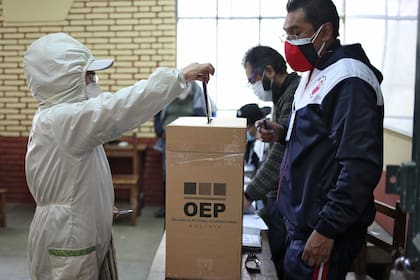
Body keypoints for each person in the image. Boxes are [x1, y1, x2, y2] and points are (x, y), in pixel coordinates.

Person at [23, 32, 214, 280]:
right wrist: (177, 77)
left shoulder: (60, 120)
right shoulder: (62, 120)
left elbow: (76, 179)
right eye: (88, 76)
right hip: (68, 236)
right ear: (62, 79)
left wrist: (99, 205)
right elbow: (120, 108)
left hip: (75, 225)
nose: (94, 82)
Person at [260, 0, 384, 278]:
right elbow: (319, 140)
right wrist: (282, 133)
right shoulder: (315, 73)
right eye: (287, 33)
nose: (290, 42)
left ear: (325, 32)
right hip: (301, 224)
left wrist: (327, 228)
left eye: (297, 32)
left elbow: (359, 166)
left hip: (321, 231)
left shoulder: (348, 79)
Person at [241, 45, 300, 278]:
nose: (254, 87)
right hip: (280, 194)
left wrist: (249, 194)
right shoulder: (281, 96)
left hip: (290, 199)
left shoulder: (293, 94)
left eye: (252, 79)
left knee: (278, 258)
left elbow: (279, 154)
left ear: (269, 71)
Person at [152, 81, 213, 218]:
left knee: (188, 175)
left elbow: (204, 117)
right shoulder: (168, 93)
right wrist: (161, 131)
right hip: (168, 142)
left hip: (190, 144)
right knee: (167, 174)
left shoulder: (198, 94)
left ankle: (184, 206)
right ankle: (167, 206)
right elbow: (157, 115)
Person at [236, 103, 271, 175]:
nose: (245, 133)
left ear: (257, 125)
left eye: (246, 128)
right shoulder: (250, 143)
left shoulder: (267, 145)